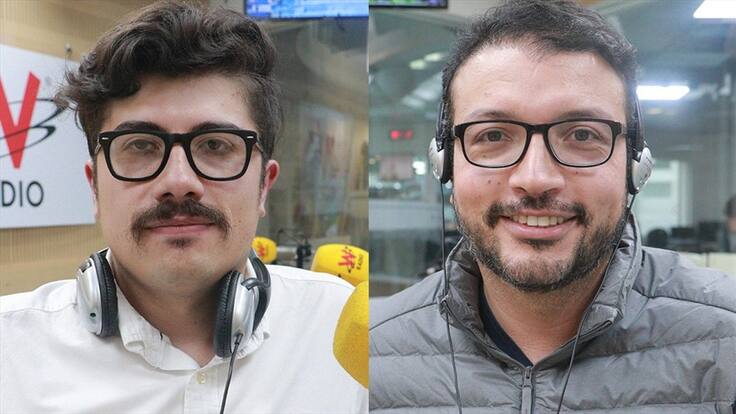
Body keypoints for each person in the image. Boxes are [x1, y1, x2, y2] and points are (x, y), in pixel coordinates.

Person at [370, 1, 736, 413]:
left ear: (635, 165)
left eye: (582, 134)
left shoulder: (727, 339)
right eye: (493, 136)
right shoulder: (372, 351)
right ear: (445, 163)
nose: (536, 178)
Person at [0, 2, 366, 413]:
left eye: (216, 145)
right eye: (141, 145)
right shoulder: (10, 353)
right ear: (95, 187)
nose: (178, 181)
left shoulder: (343, 330)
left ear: (264, 185)